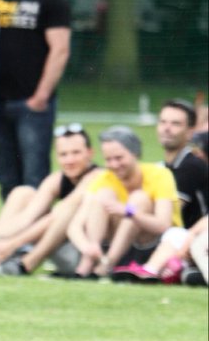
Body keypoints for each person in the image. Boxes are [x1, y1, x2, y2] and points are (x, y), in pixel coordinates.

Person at [0, 0, 72, 198]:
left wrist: (41, 96)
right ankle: (11, 237)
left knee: (35, 179)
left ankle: (35, 239)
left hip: (32, 104)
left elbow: (60, 50)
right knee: (6, 178)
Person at [0, 123, 102, 277]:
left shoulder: (97, 177)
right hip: (62, 247)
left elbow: (55, 216)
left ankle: (26, 264)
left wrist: (12, 244)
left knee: (67, 209)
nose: (69, 160)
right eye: (63, 154)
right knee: (23, 193)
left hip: (88, 254)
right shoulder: (58, 179)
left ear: (90, 153)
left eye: (76, 153)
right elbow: (29, 216)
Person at [67, 126, 179, 279]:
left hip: (154, 244)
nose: (114, 165)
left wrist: (130, 212)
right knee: (103, 195)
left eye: (119, 158)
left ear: (135, 154)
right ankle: (86, 266)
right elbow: (75, 225)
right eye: (108, 159)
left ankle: (106, 265)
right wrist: (87, 247)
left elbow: (163, 225)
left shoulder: (159, 175)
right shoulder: (104, 179)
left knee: (138, 198)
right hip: (114, 242)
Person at [113, 214, 208, 285]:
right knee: (176, 233)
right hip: (193, 256)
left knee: (197, 244)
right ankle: (151, 270)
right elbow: (194, 231)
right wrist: (177, 258)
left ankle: (176, 272)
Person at [156, 98, 207, 226]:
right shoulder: (161, 167)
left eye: (175, 124)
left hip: (194, 239)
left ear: (190, 132)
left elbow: (169, 213)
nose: (166, 128)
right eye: (163, 122)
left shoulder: (192, 166)